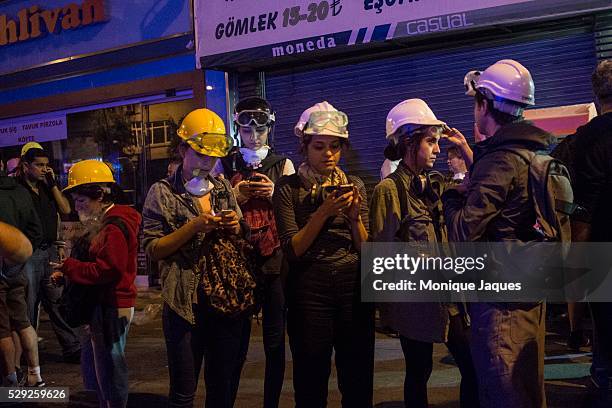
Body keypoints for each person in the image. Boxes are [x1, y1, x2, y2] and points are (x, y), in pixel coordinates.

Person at [443, 59, 552, 408]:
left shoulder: (500, 161)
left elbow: (463, 233)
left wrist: (451, 196)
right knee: (527, 391)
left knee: (504, 392)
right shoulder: (528, 153)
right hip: (528, 293)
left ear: (485, 103)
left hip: (502, 304)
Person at [370, 98, 478, 408]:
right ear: (408, 142)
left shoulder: (436, 184)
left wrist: (468, 151)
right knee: (419, 371)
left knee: (471, 364)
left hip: (450, 298)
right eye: (430, 141)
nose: (438, 149)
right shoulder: (389, 190)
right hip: (415, 302)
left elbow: (479, 186)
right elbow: (383, 253)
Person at [142, 108, 251, 408]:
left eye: (213, 157)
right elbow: (152, 248)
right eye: (201, 155)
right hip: (183, 303)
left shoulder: (222, 187)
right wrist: (193, 227)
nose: (208, 163)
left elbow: (243, 233)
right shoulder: (162, 193)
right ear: (182, 150)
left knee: (222, 386)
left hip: (225, 300)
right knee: (183, 392)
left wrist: (234, 226)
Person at [273, 101, 374, 407]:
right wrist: (323, 213)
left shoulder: (354, 184)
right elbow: (292, 249)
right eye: (319, 146)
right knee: (310, 379)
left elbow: (367, 250)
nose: (328, 154)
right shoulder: (288, 188)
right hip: (308, 291)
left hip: (352, 287)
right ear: (304, 146)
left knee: (357, 379)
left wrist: (354, 217)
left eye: (335, 146)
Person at [215, 97, 294, 408]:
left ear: (269, 129)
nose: (255, 136)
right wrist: (235, 194)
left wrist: (274, 193)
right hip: (236, 262)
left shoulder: (282, 164)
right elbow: (213, 205)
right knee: (235, 342)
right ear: (239, 130)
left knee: (275, 342)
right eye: (248, 131)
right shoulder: (226, 164)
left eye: (260, 130)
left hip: (273, 260)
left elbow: (293, 211)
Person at [50, 160, 141, 408]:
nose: (77, 207)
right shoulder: (104, 220)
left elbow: (108, 270)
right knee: (101, 365)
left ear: (99, 194)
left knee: (110, 369)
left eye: (81, 200)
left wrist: (70, 267)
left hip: (112, 304)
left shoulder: (113, 226)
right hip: (105, 303)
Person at [566, 60, 612, 391]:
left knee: (607, 344)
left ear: (596, 96)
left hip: (603, 257)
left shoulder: (585, 140)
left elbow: (582, 213)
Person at [17, 143, 81, 363]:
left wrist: (52, 184)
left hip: (50, 250)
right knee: (29, 303)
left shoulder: (47, 187)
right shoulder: (17, 189)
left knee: (56, 299)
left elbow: (65, 210)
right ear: (26, 166)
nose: (43, 169)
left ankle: (72, 347)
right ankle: (26, 352)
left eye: (46, 165)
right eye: (38, 165)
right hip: (29, 253)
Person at [0, 173, 45, 387]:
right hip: (17, 266)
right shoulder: (21, 192)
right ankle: (35, 375)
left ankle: (9, 382)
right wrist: (19, 260)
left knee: (2, 329)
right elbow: (36, 231)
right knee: (22, 321)